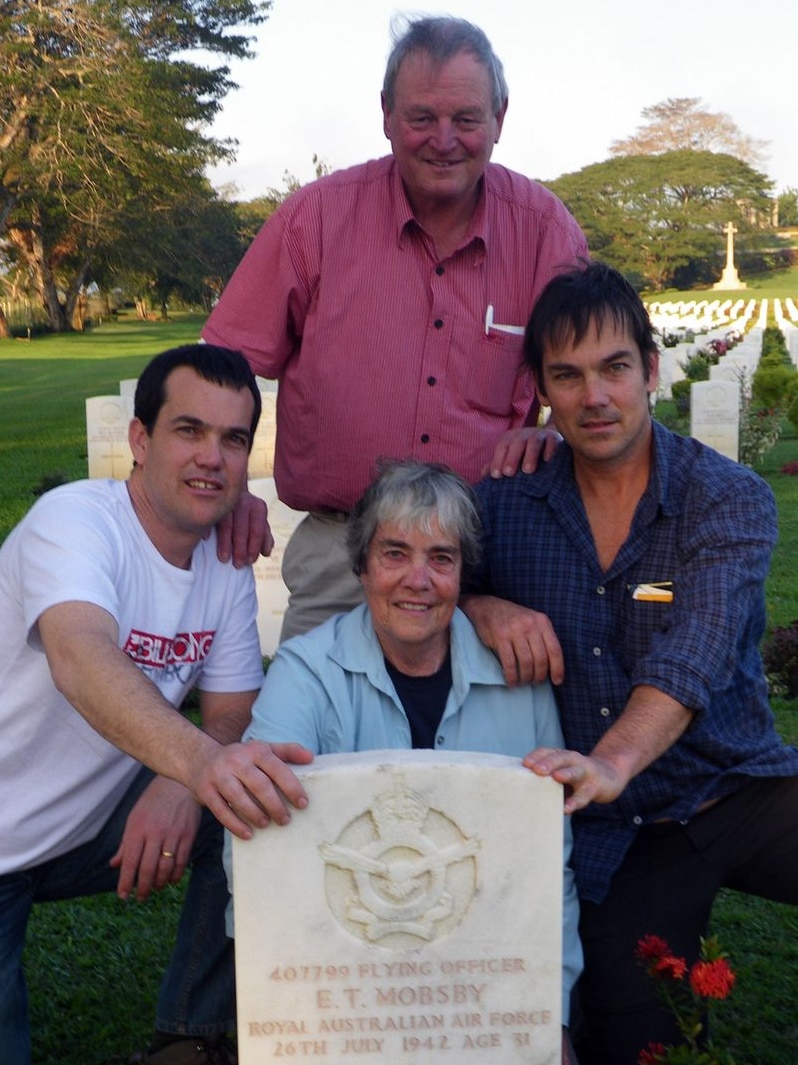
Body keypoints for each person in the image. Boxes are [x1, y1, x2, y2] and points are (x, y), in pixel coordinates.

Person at [461, 262, 798, 1065]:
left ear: (651, 368)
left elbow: (699, 648)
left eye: (615, 368)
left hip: (734, 784)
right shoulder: (507, 506)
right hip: (620, 829)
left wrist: (612, 757)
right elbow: (431, 581)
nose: (595, 397)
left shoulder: (727, 496)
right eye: (567, 377)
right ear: (542, 390)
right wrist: (483, 604)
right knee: (633, 1035)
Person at [202, 15, 587, 640]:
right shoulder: (316, 220)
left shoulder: (543, 230)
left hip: (484, 558)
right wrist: (231, 487)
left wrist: (556, 437)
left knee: (493, 736)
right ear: (385, 114)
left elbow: (591, 372)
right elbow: (222, 364)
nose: (444, 139)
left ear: (499, 117)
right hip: (342, 554)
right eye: (421, 118)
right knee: (314, 735)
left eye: (465, 119)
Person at [0, 344, 311, 1065]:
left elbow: (234, 707)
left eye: (233, 439)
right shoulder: (74, 522)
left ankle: (188, 1037)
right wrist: (202, 763)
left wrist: (181, 784)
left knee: (262, 803)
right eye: (189, 430)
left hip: (82, 830)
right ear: (140, 441)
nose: (213, 457)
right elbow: (80, 654)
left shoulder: (223, 562)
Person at [238, 459, 583, 1064]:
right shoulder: (305, 673)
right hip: (342, 986)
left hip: (483, 977)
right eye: (395, 554)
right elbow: (259, 856)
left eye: (441, 559)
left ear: (462, 574)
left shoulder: (519, 682)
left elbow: (547, 865)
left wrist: (547, 1012)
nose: (417, 580)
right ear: (362, 566)